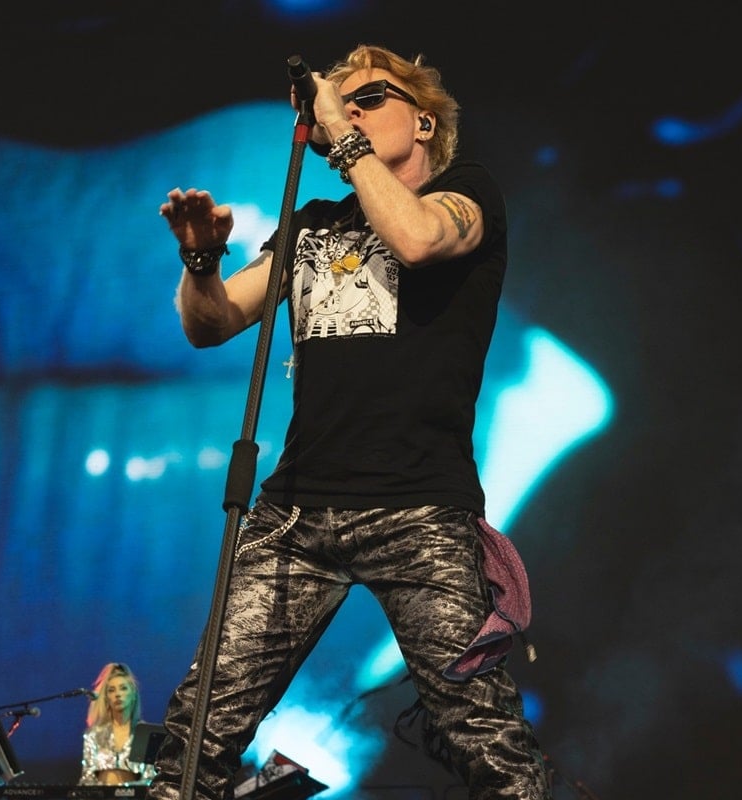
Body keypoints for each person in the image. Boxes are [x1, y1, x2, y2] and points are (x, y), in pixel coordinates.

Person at [151, 43, 553, 800]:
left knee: (484, 737)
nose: (349, 110)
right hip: (296, 513)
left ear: (424, 122)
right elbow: (213, 323)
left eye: (369, 98)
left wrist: (342, 132)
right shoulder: (311, 226)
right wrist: (201, 261)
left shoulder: (467, 195)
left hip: (418, 509)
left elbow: (418, 240)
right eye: (339, 102)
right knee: (199, 728)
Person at [79, 661, 158, 786]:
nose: (117, 694)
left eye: (123, 688)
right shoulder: (94, 734)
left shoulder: (146, 734)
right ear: (106, 697)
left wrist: (124, 788)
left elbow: (151, 779)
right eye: (111, 690)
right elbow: (87, 778)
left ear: (133, 693)